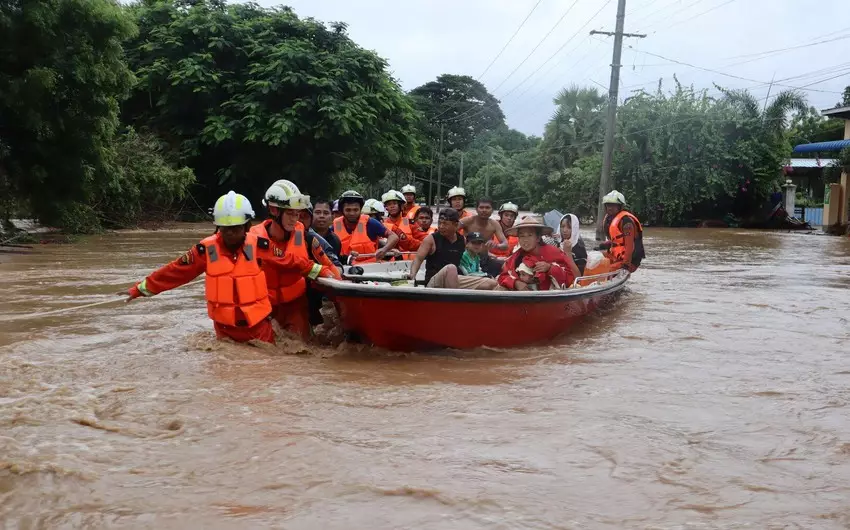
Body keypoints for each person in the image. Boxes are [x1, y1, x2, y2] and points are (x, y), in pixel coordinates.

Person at [124, 192, 289, 344]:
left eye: (236, 228)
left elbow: (290, 261)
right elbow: (174, 272)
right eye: (226, 229)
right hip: (225, 332)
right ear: (218, 227)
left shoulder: (261, 246)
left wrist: (314, 270)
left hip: (259, 329)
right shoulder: (205, 251)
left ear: (246, 227)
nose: (230, 233)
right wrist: (139, 289)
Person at [252, 181, 337, 340]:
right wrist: (317, 269)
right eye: (290, 213)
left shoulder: (306, 237)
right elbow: (282, 259)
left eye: (297, 214)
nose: (295, 219)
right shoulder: (253, 238)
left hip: (295, 306)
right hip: (265, 307)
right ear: (274, 210)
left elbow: (329, 265)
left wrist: (341, 284)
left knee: (302, 349)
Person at [408, 208, 497, 290]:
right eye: (440, 223)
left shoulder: (463, 240)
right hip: (434, 281)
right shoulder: (431, 239)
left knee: (491, 283)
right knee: (451, 268)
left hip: (455, 279)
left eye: (445, 224)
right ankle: (453, 303)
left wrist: (489, 254)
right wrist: (412, 276)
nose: (441, 226)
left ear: (456, 225)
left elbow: (474, 252)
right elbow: (418, 259)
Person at [497, 216, 576, 291]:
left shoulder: (554, 252)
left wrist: (550, 268)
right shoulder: (516, 256)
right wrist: (516, 283)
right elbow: (503, 276)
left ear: (538, 238)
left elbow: (570, 278)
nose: (525, 240)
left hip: (548, 298)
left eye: (530, 235)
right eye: (522, 236)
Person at [333, 190, 398, 264]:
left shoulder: (370, 223)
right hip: (344, 268)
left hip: (369, 269)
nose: (352, 213)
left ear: (360, 209)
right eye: (348, 210)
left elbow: (394, 236)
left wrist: (384, 250)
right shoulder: (334, 226)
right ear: (342, 211)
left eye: (356, 210)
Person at [459, 197, 508, 276]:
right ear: (476, 209)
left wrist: (496, 245)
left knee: (506, 266)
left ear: (492, 210)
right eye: (481, 207)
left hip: (484, 259)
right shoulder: (468, 221)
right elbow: (451, 230)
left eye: (487, 207)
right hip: (468, 259)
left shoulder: (494, 224)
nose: (484, 210)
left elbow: (505, 244)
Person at [600, 190, 645, 272]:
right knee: (595, 259)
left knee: (607, 270)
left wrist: (626, 264)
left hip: (630, 260)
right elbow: (617, 240)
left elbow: (629, 246)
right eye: (608, 205)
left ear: (620, 206)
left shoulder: (626, 222)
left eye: (613, 205)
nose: (610, 208)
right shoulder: (610, 219)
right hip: (616, 255)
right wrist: (605, 244)